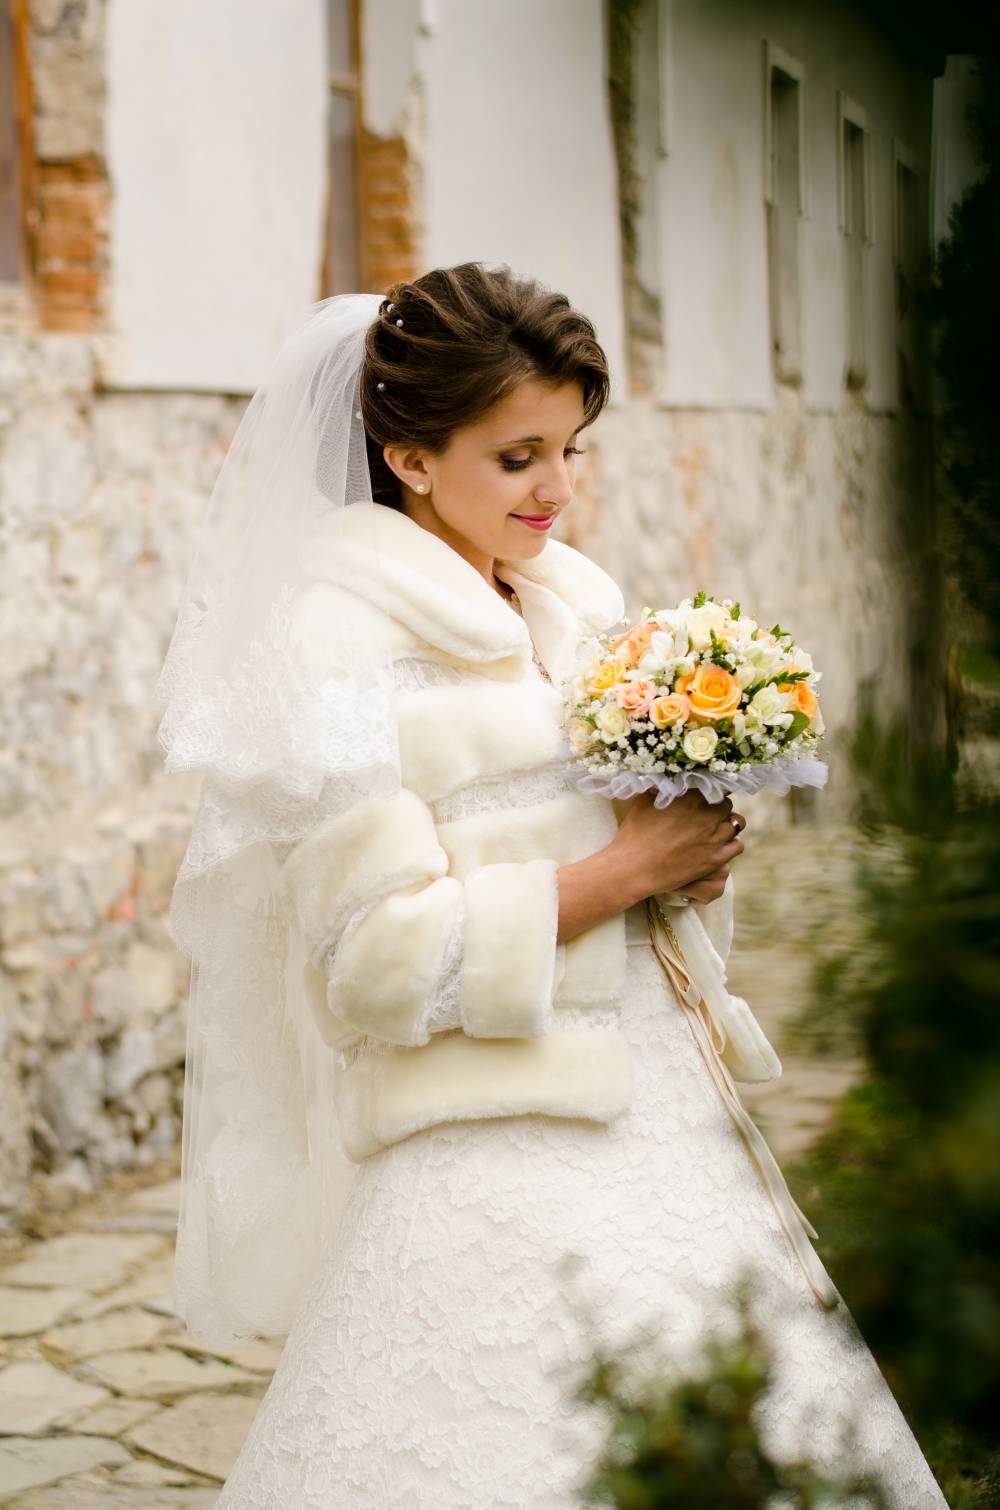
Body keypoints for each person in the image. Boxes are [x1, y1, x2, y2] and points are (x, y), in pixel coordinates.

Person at [159, 262, 948, 1508]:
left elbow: (611, 859)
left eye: (571, 448)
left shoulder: (569, 606)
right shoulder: (333, 646)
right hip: (485, 1132)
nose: (557, 489)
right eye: (517, 457)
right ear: (409, 457)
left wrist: (682, 854)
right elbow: (375, 968)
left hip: (658, 1093)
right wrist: (624, 869)